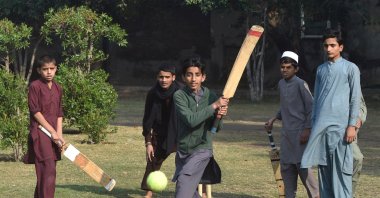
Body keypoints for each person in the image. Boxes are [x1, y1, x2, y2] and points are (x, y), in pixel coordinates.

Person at [301, 29, 361, 197]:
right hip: (321, 129)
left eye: (333, 45)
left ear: (340, 47)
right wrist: (313, 126)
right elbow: (317, 101)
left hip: (341, 129)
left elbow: (355, 98)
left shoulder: (351, 68)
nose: (328, 49)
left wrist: (351, 126)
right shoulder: (320, 69)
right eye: (326, 46)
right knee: (324, 173)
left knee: (342, 172)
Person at [172, 57, 229, 198]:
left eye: (197, 75)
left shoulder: (211, 96)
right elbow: (191, 120)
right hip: (183, 151)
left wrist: (219, 116)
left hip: (202, 149)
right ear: (183, 77)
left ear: (203, 77)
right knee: (190, 193)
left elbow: (215, 128)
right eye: (189, 75)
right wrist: (214, 106)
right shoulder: (179, 96)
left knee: (183, 185)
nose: (193, 79)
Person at [265, 51, 319, 198]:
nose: (284, 70)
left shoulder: (301, 84)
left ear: (296, 69)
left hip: (301, 135)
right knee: (287, 170)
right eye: (282, 67)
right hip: (286, 135)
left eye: (288, 67)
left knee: (304, 170)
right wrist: (274, 118)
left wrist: (307, 130)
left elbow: (311, 109)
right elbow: (285, 106)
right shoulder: (281, 84)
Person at [23, 55, 65, 198]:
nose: (49, 72)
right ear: (39, 70)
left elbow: (59, 113)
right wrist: (52, 131)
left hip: (54, 136)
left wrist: (59, 135)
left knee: (47, 173)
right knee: (48, 170)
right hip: (40, 133)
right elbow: (35, 112)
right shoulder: (35, 86)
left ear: (56, 69)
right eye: (45, 69)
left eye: (51, 69)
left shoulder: (58, 87)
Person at [140, 64, 183, 198]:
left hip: (180, 132)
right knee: (153, 160)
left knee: (190, 162)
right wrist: (148, 143)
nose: (164, 80)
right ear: (157, 77)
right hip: (160, 133)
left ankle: (198, 191)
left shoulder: (182, 92)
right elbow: (147, 120)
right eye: (161, 77)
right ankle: (149, 192)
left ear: (173, 77)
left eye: (167, 77)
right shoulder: (152, 94)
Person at [352, 94, 367, 197]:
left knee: (357, 159)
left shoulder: (354, 81)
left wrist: (359, 119)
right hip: (332, 130)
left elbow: (362, 106)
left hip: (350, 132)